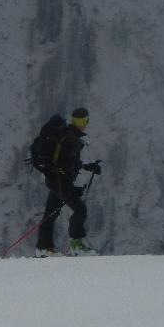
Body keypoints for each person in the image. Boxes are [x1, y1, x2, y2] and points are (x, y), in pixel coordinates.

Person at [35, 107, 101, 257]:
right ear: (83, 121)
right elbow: (63, 165)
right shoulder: (71, 139)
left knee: (51, 213)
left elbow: (68, 162)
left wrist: (87, 167)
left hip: (53, 180)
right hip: (59, 182)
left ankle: (43, 248)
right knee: (80, 210)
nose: (87, 124)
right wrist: (70, 188)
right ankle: (77, 245)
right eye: (86, 121)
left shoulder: (68, 135)